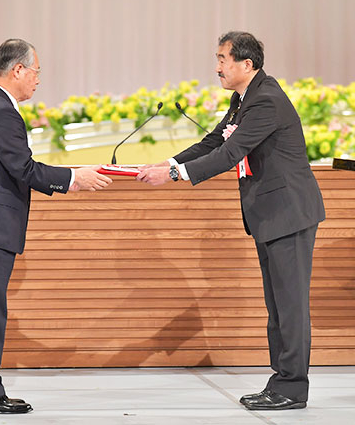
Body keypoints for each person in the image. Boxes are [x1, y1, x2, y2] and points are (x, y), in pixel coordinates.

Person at [138, 31, 325, 410]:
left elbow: (230, 153)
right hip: (272, 214)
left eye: (224, 59)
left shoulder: (266, 100)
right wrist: (170, 163)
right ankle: (282, 381)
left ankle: (292, 387)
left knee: (289, 305)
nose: (218, 66)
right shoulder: (247, 97)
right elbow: (213, 142)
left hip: (288, 213)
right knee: (278, 305)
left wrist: (175, 177)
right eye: (218, 58)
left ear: (247, 64)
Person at [0, 38, 112, 414]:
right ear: (17, 70)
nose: (38, 80)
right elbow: (24, 168)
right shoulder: (0, 110)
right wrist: (74, 178)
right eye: (36, 72)